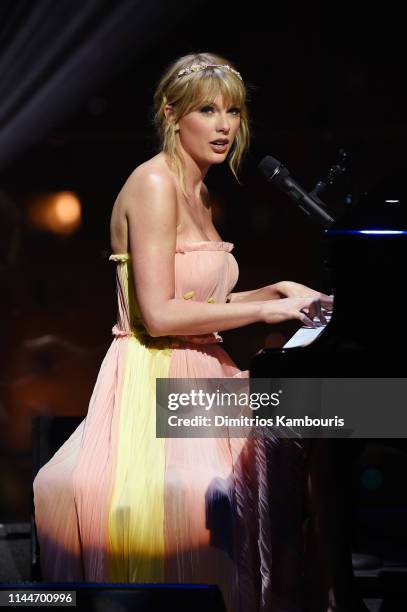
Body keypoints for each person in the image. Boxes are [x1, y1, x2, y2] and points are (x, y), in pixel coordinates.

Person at [33, 52, 333, 612]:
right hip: (160, 386)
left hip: (206, 378)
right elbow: (162, 315)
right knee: (320, 436)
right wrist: (261, 314)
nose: (224, 126)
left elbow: (204, 300)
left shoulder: (197, 190)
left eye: (234, 112)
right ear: (172, 114)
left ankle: (327, 591)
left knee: (351, 416)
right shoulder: (153, 184)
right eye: (208, 110)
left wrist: (279, 294)